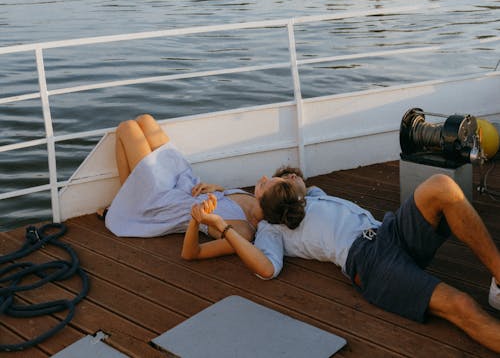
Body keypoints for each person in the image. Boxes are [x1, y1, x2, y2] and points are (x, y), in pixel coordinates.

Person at [188, 166, 500, 354]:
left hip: (387, 230)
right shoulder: (271, 230)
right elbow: (267, 269)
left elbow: (290, 188)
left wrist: (223, 188)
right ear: (271, 204)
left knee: (441, 186)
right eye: (273, 181)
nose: (283, 175)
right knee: (461, 306)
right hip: (370, 262)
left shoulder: (314, 195)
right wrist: (224, 226)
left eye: (285, 174)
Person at [101, 114, 262, 256]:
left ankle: (127, 203)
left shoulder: (243, 231)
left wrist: (204, 216)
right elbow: (227, 203)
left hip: (168, 202)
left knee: (126, 128)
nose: (264, 179)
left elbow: (197, 249)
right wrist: (217, 188)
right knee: (145, 120)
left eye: (268, 184)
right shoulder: (253, 199)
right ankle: (128, 198)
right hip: (187, 183)